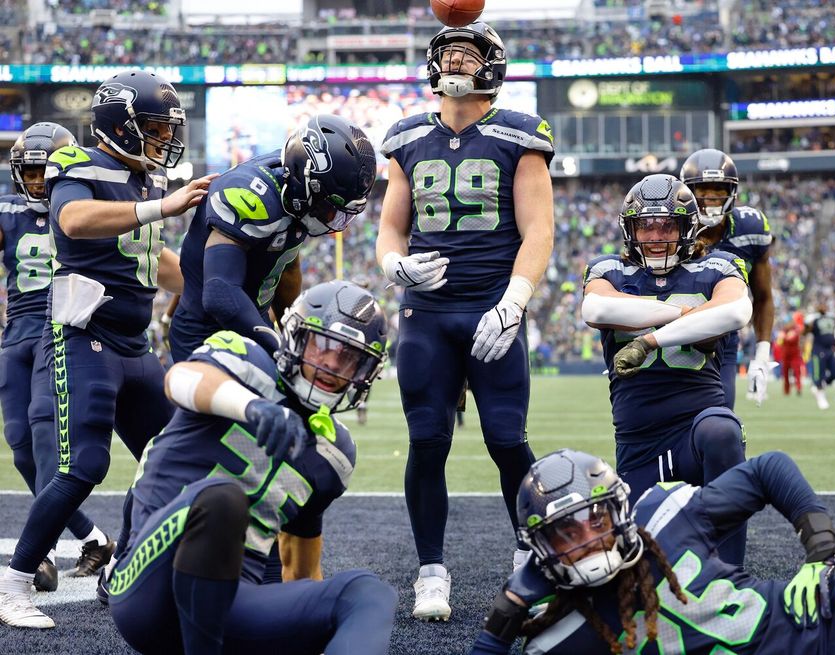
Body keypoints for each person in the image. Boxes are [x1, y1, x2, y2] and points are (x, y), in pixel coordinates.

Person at [0, 69, 215, 629]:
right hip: (81, 338)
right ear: (119, 125)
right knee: (82, 465)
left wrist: (214, 294)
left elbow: (155, 260)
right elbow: (72, 221)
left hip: (132, 343)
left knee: (177, 457)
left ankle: (121, 559)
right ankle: (15, 583)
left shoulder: (146, 181)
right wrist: (160, 210)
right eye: (152, 126)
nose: (163, 138)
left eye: (167, 128)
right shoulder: (76, 165)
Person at [470, 448, 835, 655]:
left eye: (594, 520)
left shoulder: (666, 512)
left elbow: (770, 468)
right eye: (566, 534)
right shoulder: (561, 637)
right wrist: (504, 615)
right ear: (542, 550)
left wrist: (819, 549)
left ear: (619, 509)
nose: (588, 539)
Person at [375, 21, 554, 621]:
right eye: (446, 52)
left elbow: (539, 230)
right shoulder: (405, 136)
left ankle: (534, 553)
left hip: (491, 308)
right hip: (426, 313)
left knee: (508, 442)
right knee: (427, 442)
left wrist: (514, 301)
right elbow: (391, 228)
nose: (453, 62)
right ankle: (431, 572)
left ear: (491, 67)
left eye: (465, 53)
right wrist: (394, 266)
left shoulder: (519, 133)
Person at [108, 280, 395, 655]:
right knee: (222, 502)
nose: (331, 364)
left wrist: (312, 623)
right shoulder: (245, 359)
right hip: (148, 586)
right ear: (295, 335)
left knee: (367, 593)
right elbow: (178, 380)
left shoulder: (334, 452)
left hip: (233, 605)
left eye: (350, 357)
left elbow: (301, 573)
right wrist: (250, 406)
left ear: (365, 372)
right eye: (322, 345)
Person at [580, 174, 750, 565]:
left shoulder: (718, 266)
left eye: (667, 224)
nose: (656, 235)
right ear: (631, 230)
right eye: (646, 225)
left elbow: (736, 310)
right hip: (639, 445)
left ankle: (730, 576)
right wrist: (685, 315)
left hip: (697, 432)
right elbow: (597, 309)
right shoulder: (609, 271)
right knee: (646, 569)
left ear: (687, 227)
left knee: (724, 429)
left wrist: (649, 338)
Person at [0, 122, 111, 592]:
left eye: (47, 171)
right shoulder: (7, 211)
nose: (40, 181)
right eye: (31, 172)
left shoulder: (86, 202)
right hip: (17, 332)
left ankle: (40, 554)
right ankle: (92, 537)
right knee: (22, 445)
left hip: (61, 326)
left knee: (48, 438)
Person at [169, 113, 377, 363]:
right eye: (331, 208)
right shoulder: (250, 193)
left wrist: (291, 333)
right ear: (306, 181)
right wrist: (279, 346)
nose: (334, 220)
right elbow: (219, 294)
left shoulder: (296, 195)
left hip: (253, 321)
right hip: (204, 331)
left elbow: (287, 267)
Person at [680, 149, 775, 408]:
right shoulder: (673, 227)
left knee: (720, 423)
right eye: (702, 190)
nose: (710, 198)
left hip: (723, 340)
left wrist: (762, 355)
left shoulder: (750, 227)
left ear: (731, 192)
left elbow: (764, 296)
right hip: (675, 337)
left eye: (718, 190)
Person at [803, 304, 835, 410]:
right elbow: (805, 332)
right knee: (819, 374)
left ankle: (820, 386)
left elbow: (832, 334)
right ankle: (821, 396)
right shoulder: (814, 319)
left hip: (829, 349)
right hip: (819, 350)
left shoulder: (831, 318)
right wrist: (808, 325)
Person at [776, 319, 803, 396]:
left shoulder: (795, 331)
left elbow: (791, 338)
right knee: (785, 374)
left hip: (795, 355)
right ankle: (786, 390)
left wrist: (784, 337)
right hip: (785, 355)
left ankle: (798, 388)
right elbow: (779, 343)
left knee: (797, 372)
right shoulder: (784, 331)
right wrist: (783, 337)